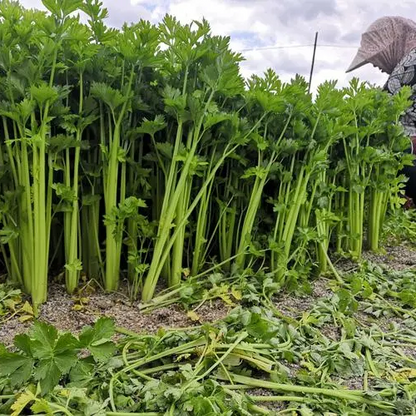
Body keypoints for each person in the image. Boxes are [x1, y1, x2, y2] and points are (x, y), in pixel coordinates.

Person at [346, 16, 416, 205]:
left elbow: (385, 109)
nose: (376, 65)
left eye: (375, 57)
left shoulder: (411, 61)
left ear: (390, 44)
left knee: (391, 146)